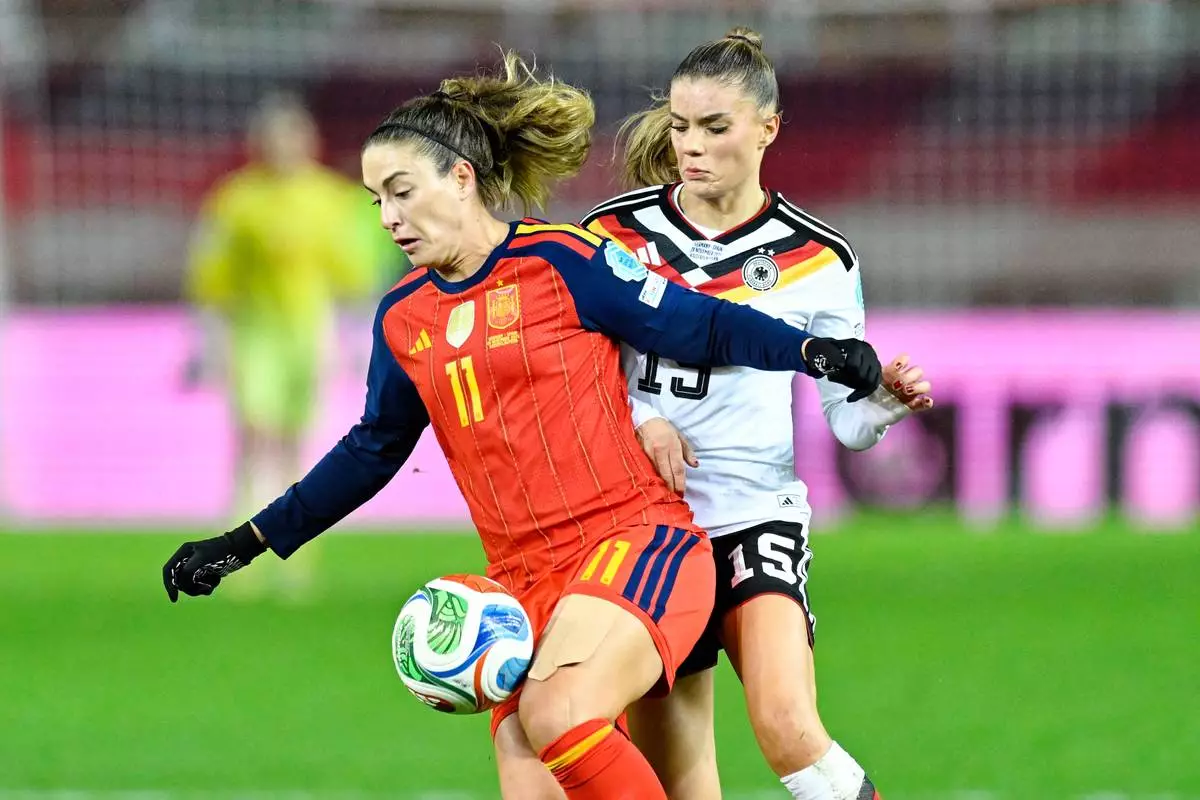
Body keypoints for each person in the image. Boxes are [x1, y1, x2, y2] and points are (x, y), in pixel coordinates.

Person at [162, 51, 883, 800]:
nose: (388, 219)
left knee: (559, 715)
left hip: (635, 547)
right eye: (377, 200)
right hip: (523, 584)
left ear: (461, 178)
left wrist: (811, 350)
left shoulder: (565, 260)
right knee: (532, 779)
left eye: (402, 193)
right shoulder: (404, 319)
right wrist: (245, 543)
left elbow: (697, 325)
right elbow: (370, 452)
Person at [581, 27, 936, 800]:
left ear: (768, 128)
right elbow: (580, 373)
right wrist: (642, 417)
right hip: (649, 524)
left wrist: (884, 403)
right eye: (679, 127)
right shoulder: (612, 233)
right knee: (680, 778)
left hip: (753, 512)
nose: (690, 147)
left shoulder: (819, 258)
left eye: (715, 127)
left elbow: (847, 421)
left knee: (787, 728)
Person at [185, 93, 395, 598]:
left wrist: (360, 342)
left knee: (298, 448)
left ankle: (293, 560)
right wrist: (208, 338)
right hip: (256, 334)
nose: (284, 146)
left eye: (292, 136)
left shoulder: (331, 200)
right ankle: (238, 558)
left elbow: (356, 274)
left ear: (309, 142)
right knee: (256, 439)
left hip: (308, 333)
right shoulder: (237, 200)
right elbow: (213, 274)